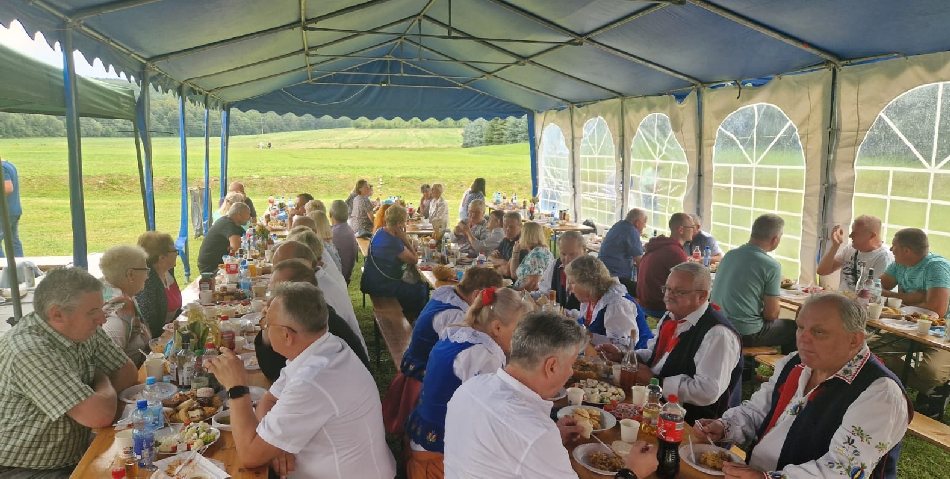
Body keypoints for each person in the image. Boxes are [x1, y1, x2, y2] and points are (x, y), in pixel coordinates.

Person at [694, 293, 910, 479]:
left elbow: (843, 470)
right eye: (800, 327)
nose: (803, 339)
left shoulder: (880, 393)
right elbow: (759, 410)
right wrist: (725, 426)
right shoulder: (795, 363)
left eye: (819, 332)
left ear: (854, 340)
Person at [206, 282, 396, 479]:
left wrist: (236, 388)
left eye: (267, 324)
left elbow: (250, 455)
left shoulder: (313, 379)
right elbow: (269, 400)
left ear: (286, 335)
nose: (265, 329)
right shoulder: (323, 347)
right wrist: (275, 444)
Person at [443, 312, 658, 479]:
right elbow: (525, 438)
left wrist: (551, 437)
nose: (572, 372)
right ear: (551, 366)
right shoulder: (536, 434)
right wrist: (632, 472)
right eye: (571, 364)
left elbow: (503, 448)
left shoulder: (471, 388)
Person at [0, 267, 137, 476]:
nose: (102, 319)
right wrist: (101, 380)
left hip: (74, 453)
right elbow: (98, 416)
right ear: (57, 314)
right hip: (26, 469)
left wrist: (97, 399)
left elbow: (127, 372)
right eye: (92, 312)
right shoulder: (28, 350)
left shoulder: (81, 327)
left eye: (101, 308)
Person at [407, 288, 534, 477]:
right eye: (518, 331)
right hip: (438, 455)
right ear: (497, 328)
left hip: (422, 435)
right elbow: (494, 416)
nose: (521, 338)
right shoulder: (485, 355)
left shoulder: (459, 333)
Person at [383, 267, 503, 438]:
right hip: (422, 378)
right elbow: (467, 353)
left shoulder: (447, 295)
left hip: (417, 363)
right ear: (477, 294)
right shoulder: (455, 315)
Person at [633, 262, 741, 422]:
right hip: (657, 404)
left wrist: (656, 382)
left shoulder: (718, 334)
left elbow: (707, 391)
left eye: (679, 291)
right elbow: (657, 355)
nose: (669, 295)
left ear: (702, 296)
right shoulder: (672, 316)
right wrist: (628, 356)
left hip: (691, 422)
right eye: (667, 288)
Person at [253, 259, 369, 382]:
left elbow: (276, 373)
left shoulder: (315, 324)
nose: (269, 300)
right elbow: (276, 372)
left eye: (276, 293)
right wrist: (267, 325)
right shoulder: (312, 313)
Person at [877, 228, 950, 417]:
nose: (890, 249)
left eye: (894, 246)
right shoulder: (899, 264)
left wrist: (896, 297)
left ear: (907, 250)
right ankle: (930, 390)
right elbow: (878, 287)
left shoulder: (936, 267)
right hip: (908, 327)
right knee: (873, 350)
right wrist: (915, 297)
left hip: (942, 332)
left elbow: (937, 310)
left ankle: (935, 388)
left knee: (931, 372)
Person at [710, 213, 795, 354]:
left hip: (717, 325)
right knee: (793, 328)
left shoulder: (729, 255)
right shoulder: (771, 266)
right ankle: (785, 367)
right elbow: (771, 314)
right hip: (744, 332)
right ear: (775, 239)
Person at [274, 238, 364, 356]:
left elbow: (294, 347)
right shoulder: (317, 281)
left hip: (343, 358)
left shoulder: (315, 297)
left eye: (280, 267)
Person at [566, 255, 653, 348]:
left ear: (586, 284)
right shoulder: (591, 300)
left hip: (636, 354)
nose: (569, 288)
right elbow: (587, 321)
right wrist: (571, 316)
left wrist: (589, 336)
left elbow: (623, 346)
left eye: (572, 283)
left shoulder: (616, 304)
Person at [361, 204, 429, 317]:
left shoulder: (381, 231)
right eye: (404, 221)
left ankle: (411, 316)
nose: (405, 224)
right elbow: (414, 260)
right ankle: (414, 320)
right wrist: (404, 238)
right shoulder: (392, 242)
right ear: (398, 223)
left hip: (372, 279)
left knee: (417, 285)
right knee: (421, 289)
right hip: (382, 286)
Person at [99, 245, 152, 367]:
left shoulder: (124, 297)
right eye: (145, 270)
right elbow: (106, 366)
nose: (147, 276)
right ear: (130, 274)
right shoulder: (117, 316)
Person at [636, 213, 692, 319]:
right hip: (659, 309)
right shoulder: (675, 252)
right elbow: (687, 284)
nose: (693, 230)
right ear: (681, 229)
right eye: (691, 227)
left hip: (643, 305)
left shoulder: (659, 246)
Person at [816, 215, 892, 291]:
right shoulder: (850, 248)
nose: (850, 236)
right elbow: (822, 271)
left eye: (855, 233)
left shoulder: (883, 257)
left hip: (859, 298)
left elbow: (875, 292)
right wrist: (835, 246)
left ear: (871, 236)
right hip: (842, 297)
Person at [135, 231, 181, 338]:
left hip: (172, 331)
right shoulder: (147, 282)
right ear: (162, 257)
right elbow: (150, 324)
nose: (177, 253)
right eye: (174, 251)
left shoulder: (168, 272)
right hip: (158, 340)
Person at [598, 208, 648, 296]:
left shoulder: (618, 225)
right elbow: (640, 262)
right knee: (644, 292)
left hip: (602, 273)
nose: (645, 226)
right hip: (616, 278)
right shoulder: (631, 230)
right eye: (644, 223)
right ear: (637, 223)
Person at [198, 202, 251, 273]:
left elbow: (247, 238)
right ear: (239, 215)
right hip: (211, 267)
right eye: (248, 214)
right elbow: (236, 248)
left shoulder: (229, 221)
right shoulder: (229, 225)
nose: (249, 217)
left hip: (219, 263)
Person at [538, 231, 583, 311]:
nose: (567, 259)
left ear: (584, 251)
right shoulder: (555, 265)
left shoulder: (590, 272)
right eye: (563, 254)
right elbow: (544, 291)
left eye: (572, 254)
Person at [510, 222, 554, 291]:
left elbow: (534, 283)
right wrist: (515, 253)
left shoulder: (537, 254)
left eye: (521, 234)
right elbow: (514, 275)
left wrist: (516, 292)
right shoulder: (534, 251)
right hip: (522, 292)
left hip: (527, 295)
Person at [329, 200, 359, 284]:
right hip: (344, 276)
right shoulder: (346, 228)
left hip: (338, 279)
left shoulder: (335, 233)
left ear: (330, 214)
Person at [490, 211, 525, 278]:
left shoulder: (521, 244)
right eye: (505, 226)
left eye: (511, 227)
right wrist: (502, 261)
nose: (507, 229)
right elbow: (490, 257)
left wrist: (496, 265)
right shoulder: (505, 240)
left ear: (520, 226)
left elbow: (507, 271)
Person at [0, 157, 22, 258]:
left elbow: (8, 188)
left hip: (4, 212)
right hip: (14, 210)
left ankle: (1, 265)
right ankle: (20, 265)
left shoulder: (2, 168)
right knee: (14, 241)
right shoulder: (9, 165)